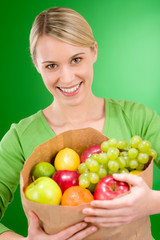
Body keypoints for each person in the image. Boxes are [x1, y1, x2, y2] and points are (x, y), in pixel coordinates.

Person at [0, 6, 160, 240]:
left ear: (94, 51)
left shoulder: (138, 119)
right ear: (36, 65)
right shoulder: (20, 137)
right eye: (51, 65)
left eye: (76, 60)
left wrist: (153, 203)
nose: (67, 78)